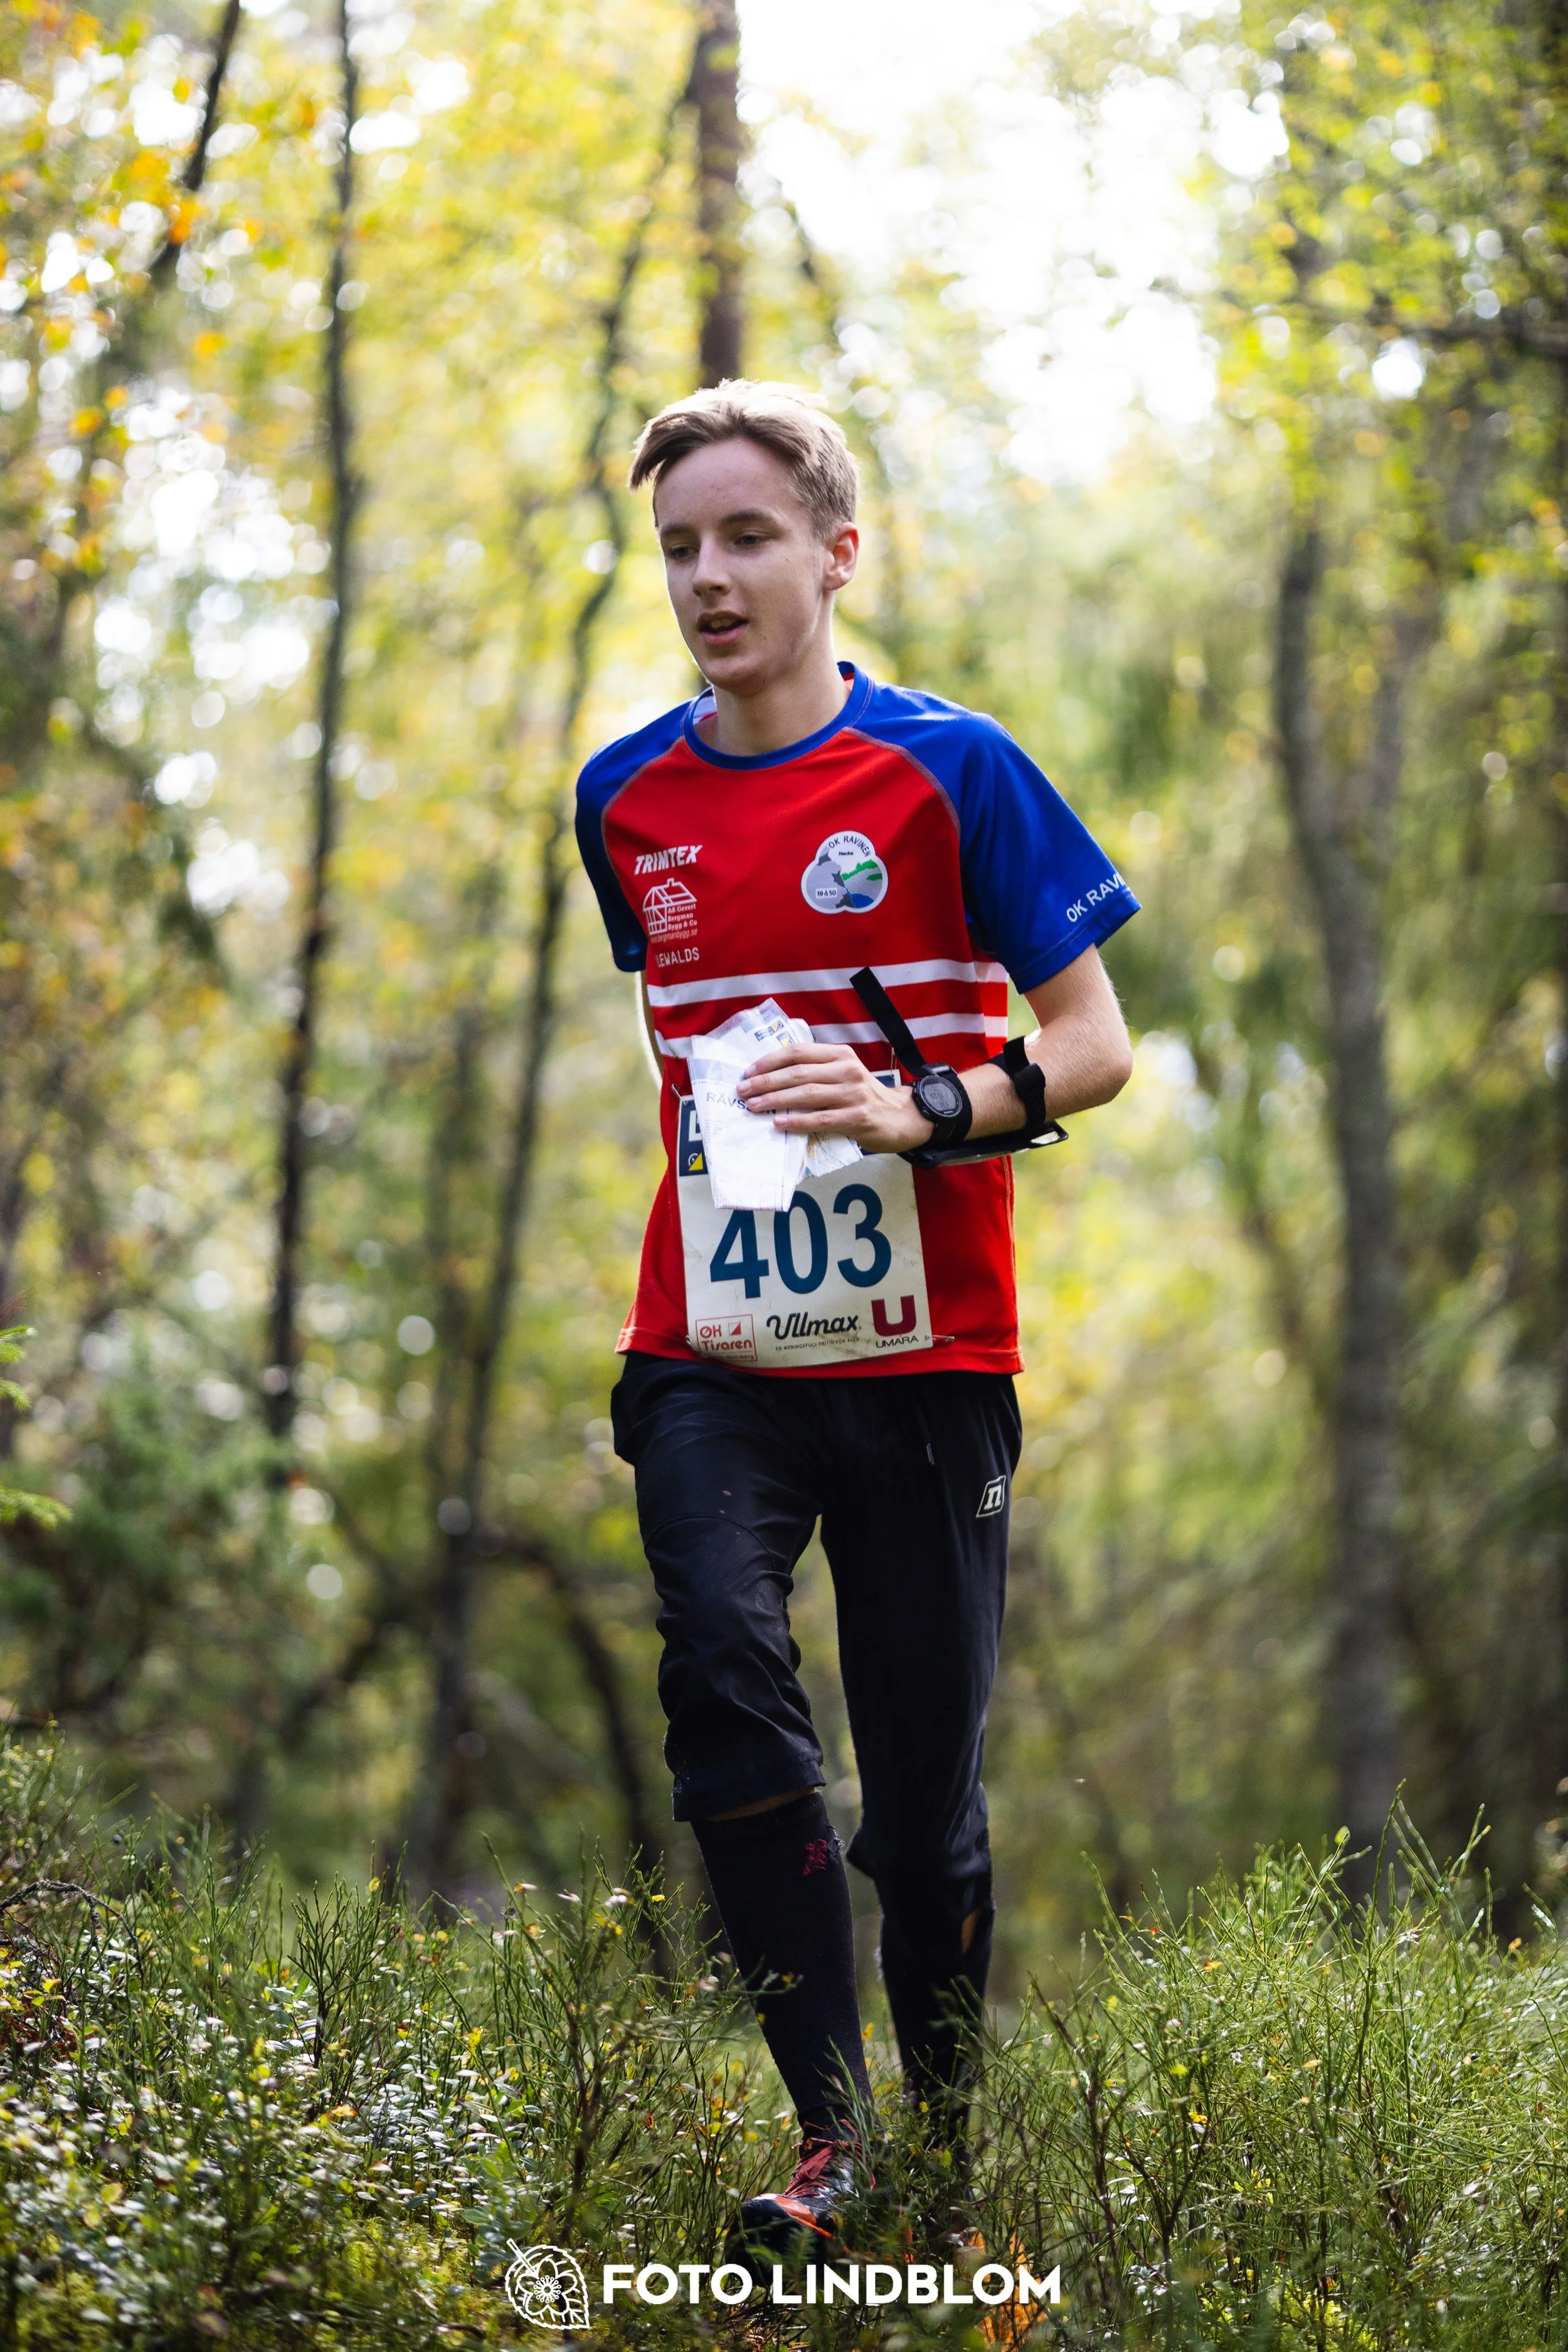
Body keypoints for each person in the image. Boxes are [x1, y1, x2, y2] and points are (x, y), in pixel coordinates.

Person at [574, 380, 1136, 2256]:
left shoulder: (949, 772)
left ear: (836, 552)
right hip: (712, 1350)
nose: (707, 578)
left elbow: (1091, 1044)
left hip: (927, 1358)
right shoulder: (619, 801)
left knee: (923, 1803)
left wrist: (918, 1108)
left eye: (744, 538)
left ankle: (945, 2148)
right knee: (721, 1670)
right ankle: (832, 2139)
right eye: (677, 548)